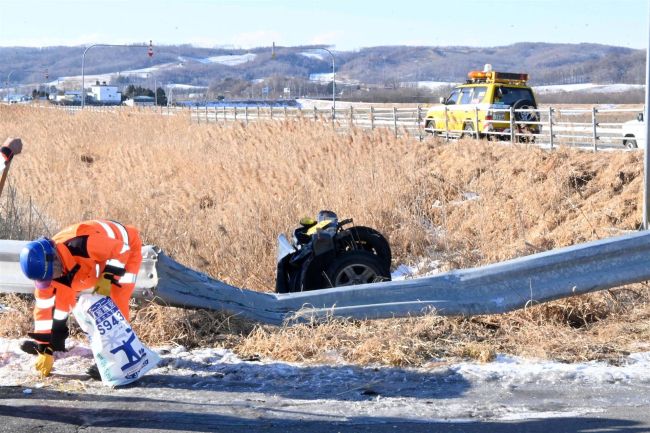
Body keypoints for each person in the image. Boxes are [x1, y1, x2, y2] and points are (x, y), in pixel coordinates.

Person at [19, 219, 142, 378]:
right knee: (61, 293)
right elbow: (43, 310)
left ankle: (117, 359)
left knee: (114, 299)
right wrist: (44, 348)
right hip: (88, 261)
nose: (50, 280)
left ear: (55, 261)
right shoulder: (47, 270)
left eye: (52, 275)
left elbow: (122, 250)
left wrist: (108, 277)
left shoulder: (83, 244)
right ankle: (55, 342)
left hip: (124, 248)